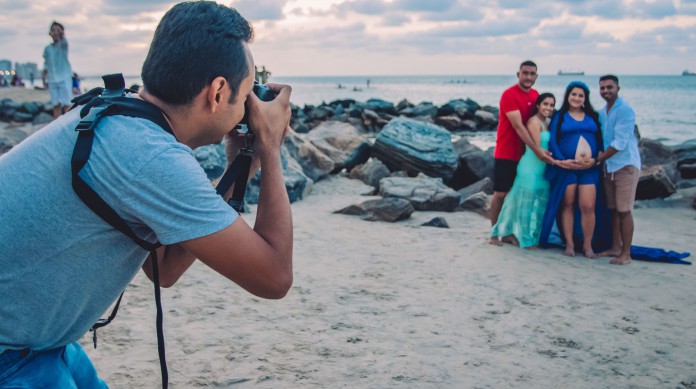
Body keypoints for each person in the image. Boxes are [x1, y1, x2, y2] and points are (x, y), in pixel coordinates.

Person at [0, 2, 293, 387]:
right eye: (245, 96)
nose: (247, 109)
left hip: (36, 343)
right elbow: (274, 278)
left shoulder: (113, 113)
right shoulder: (151, 155)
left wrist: (243, 165)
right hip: (13, 355)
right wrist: (270, 149)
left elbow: (163, 267)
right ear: (218, 91)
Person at [539, 81, 611, 258]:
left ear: (585, 98)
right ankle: (569, 243)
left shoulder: (592, 116)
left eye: (580, 95)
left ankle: (587, 245)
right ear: (567, 96)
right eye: (573, 94)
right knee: (568, 205)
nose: (577, 98)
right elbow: (554, 142)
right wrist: (562, 161)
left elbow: (600, 140)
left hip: (589, 169)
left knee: (588, 206)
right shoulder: (560, 116)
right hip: (567, 169)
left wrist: (596, 160)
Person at [490, 60, 552, 245]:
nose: (528, 77)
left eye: (532, 74)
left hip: (526, 156)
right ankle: (494, 233)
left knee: (516, 195)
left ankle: (508, 232)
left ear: (536, 76)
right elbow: (518, 126)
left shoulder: (535, 95)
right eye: (525, 73)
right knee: (500, 194)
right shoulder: (509, 94)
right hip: (506, 152)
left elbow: (541, 120)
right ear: (518, 74)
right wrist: (537, 151)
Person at [595, 75, 641, 265]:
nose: (606, 91)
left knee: (624, 210)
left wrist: (598, 159)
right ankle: (615, 247)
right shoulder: (602, 112)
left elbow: (619, 143)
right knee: (613, 210)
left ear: (618, 88)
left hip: (626, 166)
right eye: (602, 88)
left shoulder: (625, 110)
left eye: (609, 87)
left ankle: (626, 253)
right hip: (610, 167)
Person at [42, 21, 74, 118]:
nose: (55, 32)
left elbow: (63, 40)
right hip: (52, 79)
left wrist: (61, 34)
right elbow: (46, 64)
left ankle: (68, 125)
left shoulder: (63, 44)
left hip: (64, 78)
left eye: (58, 30)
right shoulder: (47, 48)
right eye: (53, 30)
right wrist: (44, 78)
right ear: (49, 33)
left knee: (67, 103)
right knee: (56, 104)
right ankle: (57, 125)